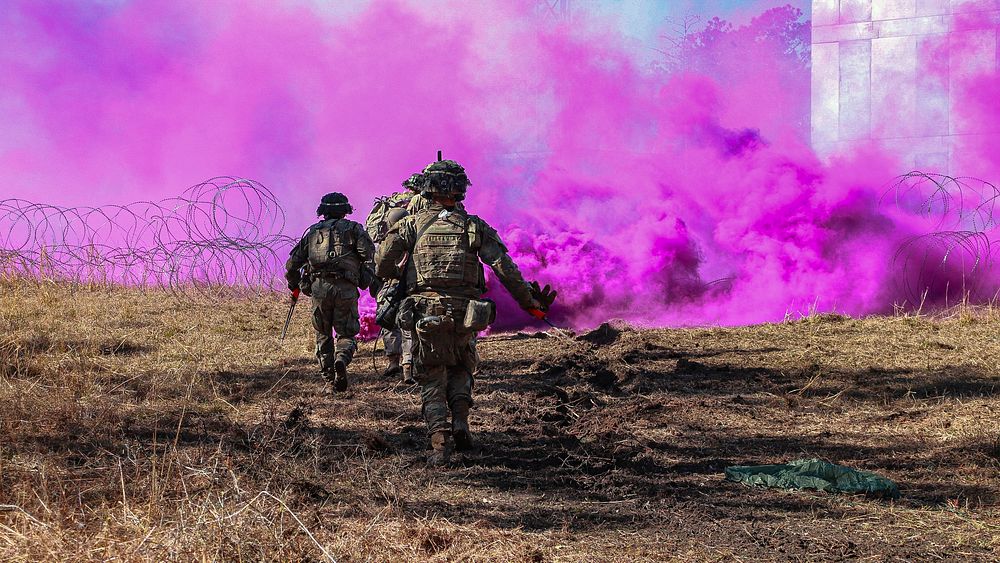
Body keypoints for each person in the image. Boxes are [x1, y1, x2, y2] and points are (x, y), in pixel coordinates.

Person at [375, 159, 556, 465]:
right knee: (462, 367)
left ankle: (440, 441)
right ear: (459, 190)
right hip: (466, 312)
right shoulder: (474, 226)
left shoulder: (409, 225)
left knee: (432, 377)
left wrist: (404, 273)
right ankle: (461, 422)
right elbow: (504, 269)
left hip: (424, 310)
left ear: (428, 190)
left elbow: (382, 264)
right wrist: (529, 303)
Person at [285, 192, 375, 392]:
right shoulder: (354, 229)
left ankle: (329, 380)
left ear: (323, 211)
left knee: (323, 333)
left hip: (319, 288)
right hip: (345, 287)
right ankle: (342, 358)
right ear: (345, 210)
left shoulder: (313, 233)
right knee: (347, 332)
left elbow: (292, 264)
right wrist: (365, 280)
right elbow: (368, 256)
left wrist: (296, 285)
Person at [366, 174, 423, 383]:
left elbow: (378, 263)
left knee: (390, 322)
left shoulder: (391, 210)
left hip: (389, 283)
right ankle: (409, 364)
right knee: (408, 323)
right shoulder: (416, 222)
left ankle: (393, 362)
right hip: (410, 282)